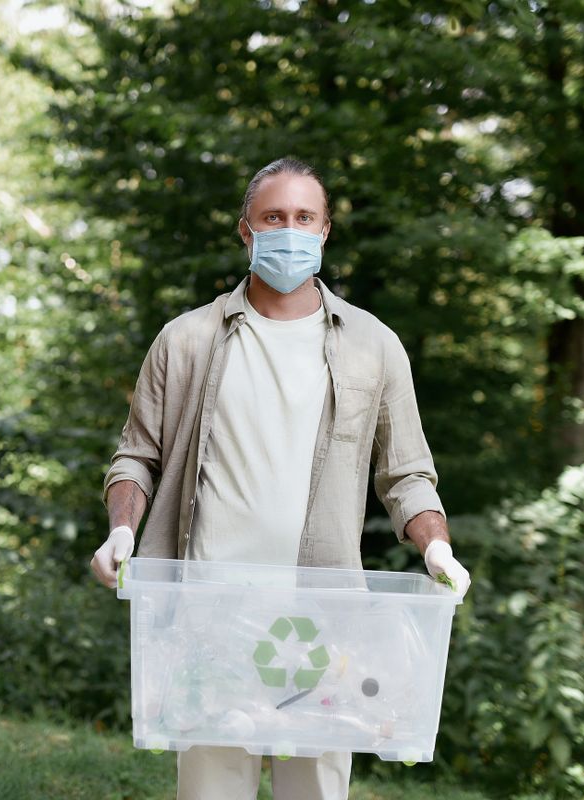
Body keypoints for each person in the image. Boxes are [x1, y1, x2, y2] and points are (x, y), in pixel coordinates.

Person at [91, 157, 471, 800]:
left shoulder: (373, 346)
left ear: (324, 231)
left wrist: (436, 548)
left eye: (303, 217)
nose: (289, 231)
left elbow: (407, 474)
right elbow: (136, 457)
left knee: (314, 790)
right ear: (246, 231)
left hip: (322, 614)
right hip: (211, 610)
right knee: (212, 791)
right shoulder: (186, 340)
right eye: (273, 217)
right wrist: (121, 532)